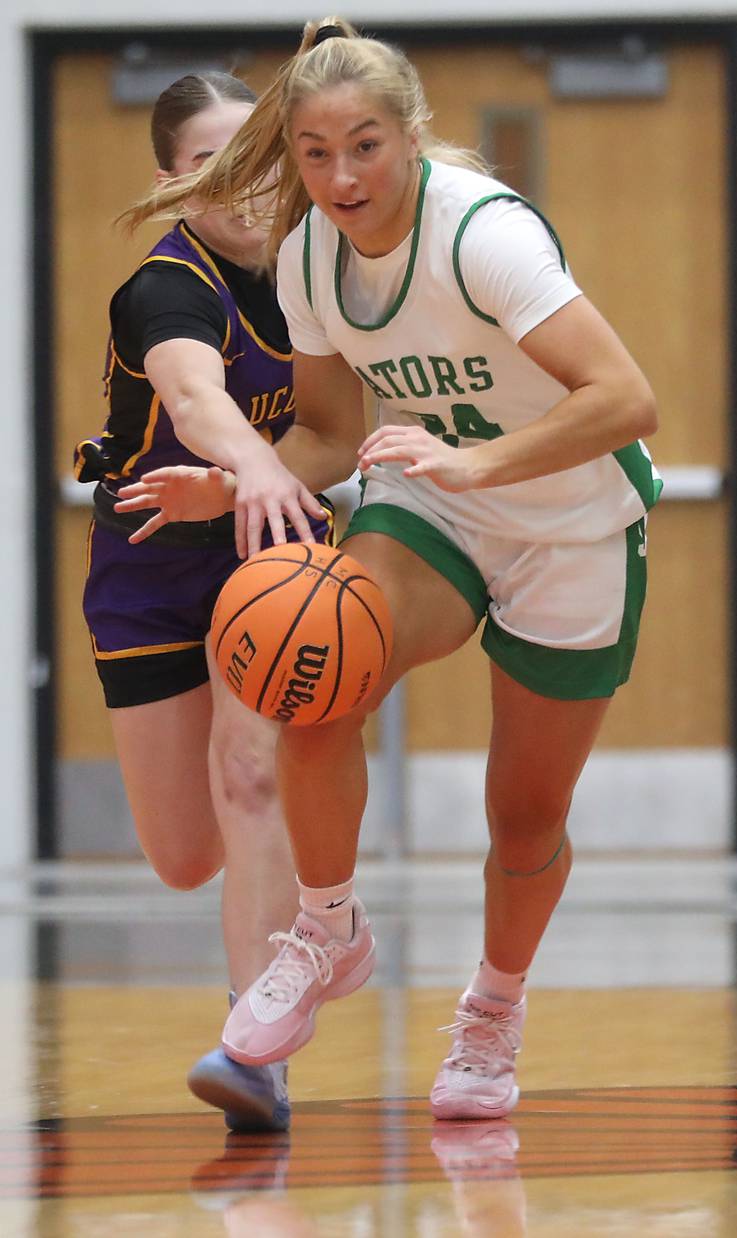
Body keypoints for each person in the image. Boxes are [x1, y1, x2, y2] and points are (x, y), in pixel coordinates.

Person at [115, 18, 660, 1121]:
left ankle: (491, 1010)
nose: (339, 175)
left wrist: (480, 459)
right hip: (430, 504)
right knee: (312, 666)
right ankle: (326, 928)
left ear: (409, 136)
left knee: (524, 813)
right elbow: (325, 432)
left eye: (362, 145)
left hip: (566, 518)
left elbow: (624, 401)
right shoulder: (312, 254)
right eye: (313, 153)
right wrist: (236, 484)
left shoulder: (483, 237)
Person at [74, 70, 356, 1132]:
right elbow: (194, 396)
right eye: (211, 160)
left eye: (258, 154)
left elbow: (335, 420)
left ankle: (255, 1045)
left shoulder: (315, 279)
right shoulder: (164, 285)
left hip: (267, 550)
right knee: (186, 854)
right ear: (170, 184)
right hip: (147, 561)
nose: (243, 179)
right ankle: (332, 908)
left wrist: (265, 489)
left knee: (251, 779)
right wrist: (255, 461)